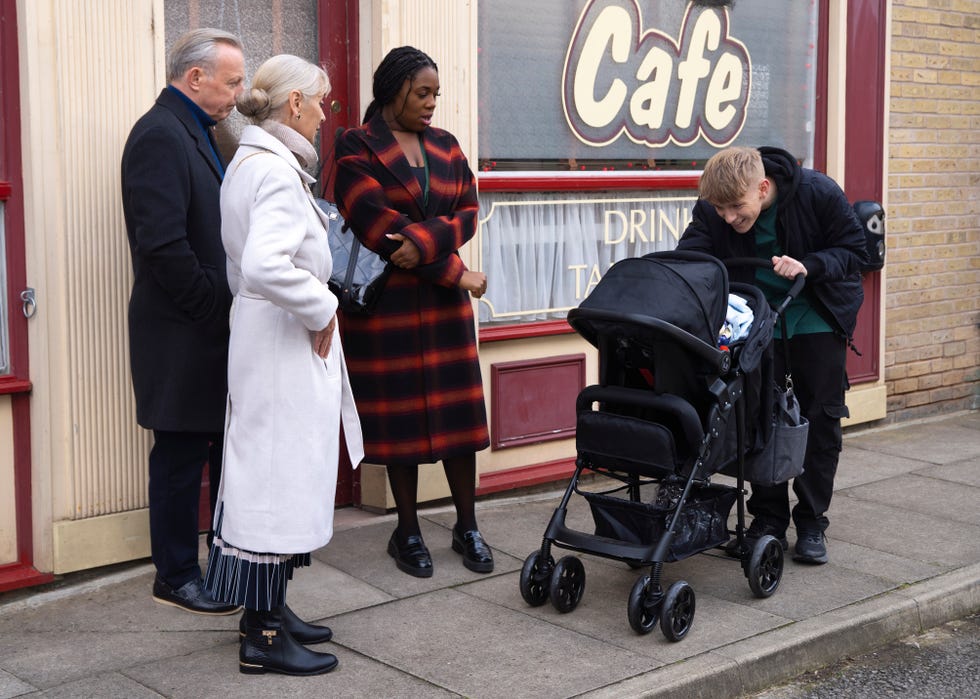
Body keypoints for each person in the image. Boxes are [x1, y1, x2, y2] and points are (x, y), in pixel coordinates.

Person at [202, 54, 364, 677]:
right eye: (320, 101)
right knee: (273, 481)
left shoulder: (257, 161)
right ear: (294, 104)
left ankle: (273, 612)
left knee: (280, 475)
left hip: (268, 339)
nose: (326, 115)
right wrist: (322, 308)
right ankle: (263, 634)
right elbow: (268, 266)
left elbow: (249, 266)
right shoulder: (270, 171)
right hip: (278, 343)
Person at [333, 46, 493, 578]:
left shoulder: (446, 146)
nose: (430, 104)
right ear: (394, 88)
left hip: (442, 308)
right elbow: (376, 229)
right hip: (388, 309)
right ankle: (407, 530)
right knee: (400, 426)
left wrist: (424, 245)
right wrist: (458, 274)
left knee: (458, 423)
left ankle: (467, 525)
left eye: (435, 95)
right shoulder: (355, 146)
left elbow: (468, 211)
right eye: (421, 93)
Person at [677, 146, 868, 564]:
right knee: (758, 417)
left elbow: (857, 250)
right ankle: (768, 519)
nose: (728, 217)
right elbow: (691, 256)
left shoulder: (817, 192)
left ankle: (813, 520)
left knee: (819, 418)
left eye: (735, 207)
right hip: (756, 319)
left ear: (763, 188)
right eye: (719, 208)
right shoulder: (714, 208)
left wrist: (809, 265)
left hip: (815, 312)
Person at [121, 28, 245, 615]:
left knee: (218, 449)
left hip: (208, 332)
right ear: (195, 77)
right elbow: (163, 246)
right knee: (178, 456)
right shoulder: (158, 134)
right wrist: (215, 312)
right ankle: (174, 575)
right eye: (234, 80)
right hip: (181, 333)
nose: (240, 93)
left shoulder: (202, 131)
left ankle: (222, 566)